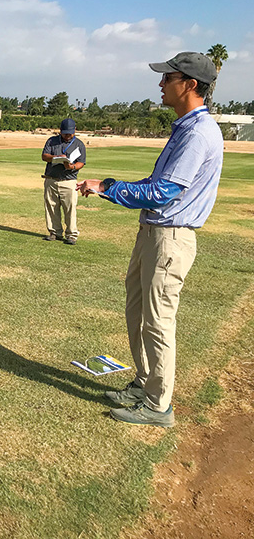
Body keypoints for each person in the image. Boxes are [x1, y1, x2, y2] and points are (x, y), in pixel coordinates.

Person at [78, 52, 223, 428]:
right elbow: (154, 185)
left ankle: (159, 405)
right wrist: (106, 186)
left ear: (189, 85)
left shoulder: (197, 133)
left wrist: (110, 187)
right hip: (153, 234)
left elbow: (164, 192)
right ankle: (144, 383)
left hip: (170, 238)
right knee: (137, 311)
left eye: (168, 78)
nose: (161, 84)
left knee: (158, 321)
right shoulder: (184, 129)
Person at [41, 118, 87, 245]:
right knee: (51, 207)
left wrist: (72, 166)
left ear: (75, 131)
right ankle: (54, 232)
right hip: (51, 179)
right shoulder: (51, 141)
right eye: (65, 133)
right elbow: (44, 156)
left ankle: (71, 235)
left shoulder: (79, 144)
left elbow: (81, 162)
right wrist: (56, 157)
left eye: (70, 133)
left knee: (70, 209)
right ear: (60, 131)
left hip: (69, 181)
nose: (68, 135)